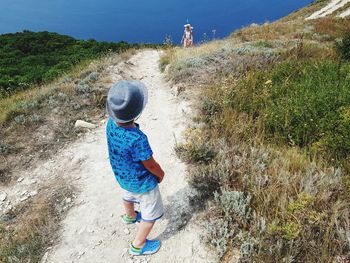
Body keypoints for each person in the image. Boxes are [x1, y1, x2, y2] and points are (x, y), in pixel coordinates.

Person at [106, 80, 165, 256]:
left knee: (127, 195)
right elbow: (150, 164)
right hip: (142, 183)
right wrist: (160, 174)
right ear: (137, 111)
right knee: (151, 214)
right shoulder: (137, 139)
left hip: (122, 175)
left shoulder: (109, 124)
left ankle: (130, 216)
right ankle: (138, 244)